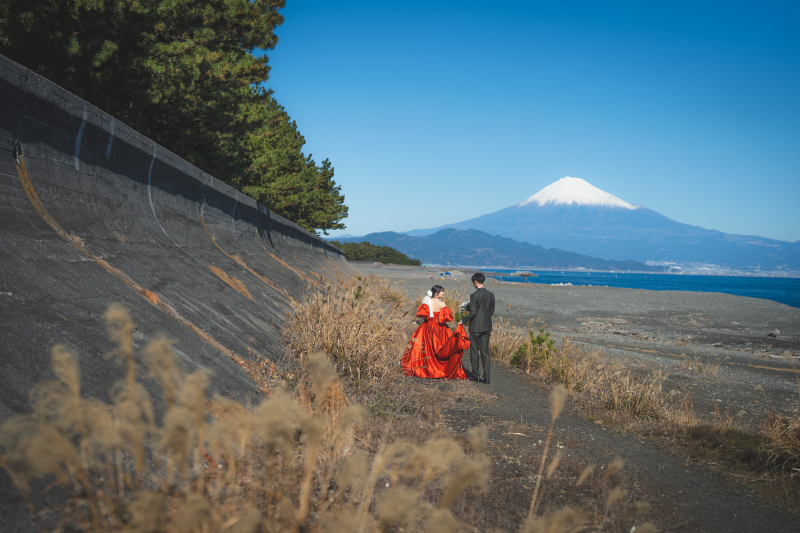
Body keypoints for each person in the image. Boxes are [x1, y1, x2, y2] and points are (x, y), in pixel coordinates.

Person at [401, 285, 470, 379]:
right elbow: (447, 318)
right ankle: (441, 369)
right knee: (444, 347)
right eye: (442, 291)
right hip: (439, 328)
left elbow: (424, 316)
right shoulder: (442, 304)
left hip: (426, 327)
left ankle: (425, 368)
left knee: (424, 348)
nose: (443, 293)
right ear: (436, 293)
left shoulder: (426, 302)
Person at [460, 272, 495, 384]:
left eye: (473, 283)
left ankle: (476, 375)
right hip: (487, 326)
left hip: (475, 326)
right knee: (485, 351)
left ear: (475, 282)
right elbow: (491, 311)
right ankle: (487, 377)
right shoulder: (491, 295)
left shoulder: (474, 295)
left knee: (474, 351)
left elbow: (473, 312)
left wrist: (463, 321)